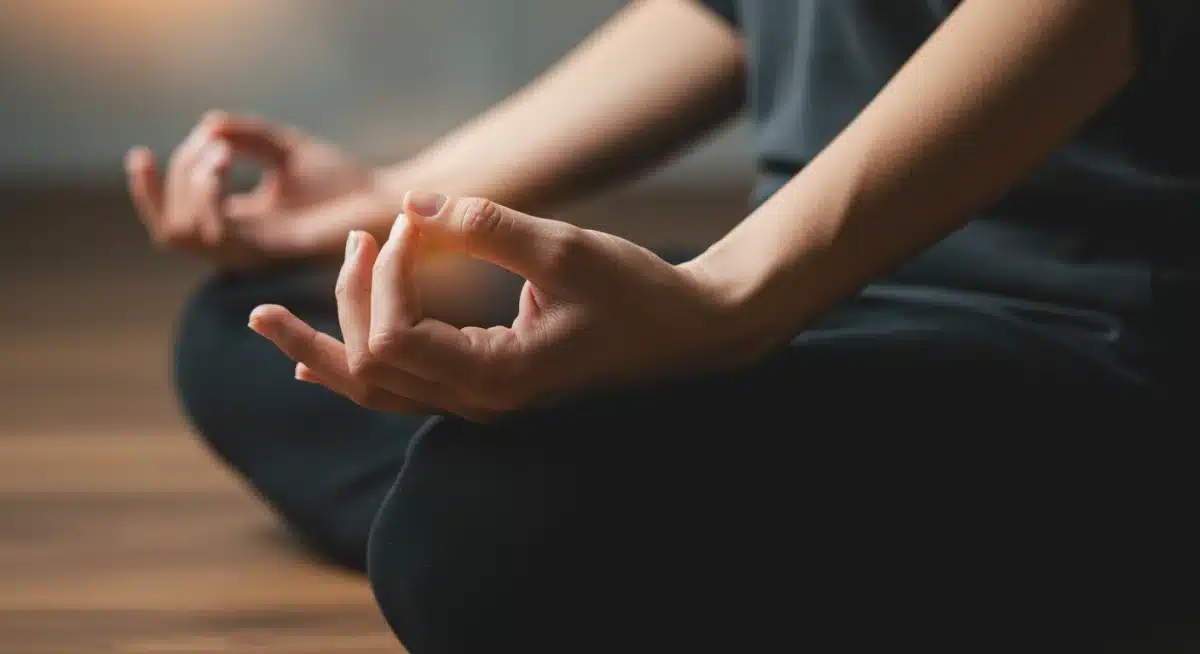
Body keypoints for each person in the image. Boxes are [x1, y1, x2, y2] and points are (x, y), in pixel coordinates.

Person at [127, 1, 1198, 650]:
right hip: (825, 291)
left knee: (474, 529)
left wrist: (733, 298)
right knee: (273, 327)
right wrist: (402, 197)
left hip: (1098, 322)